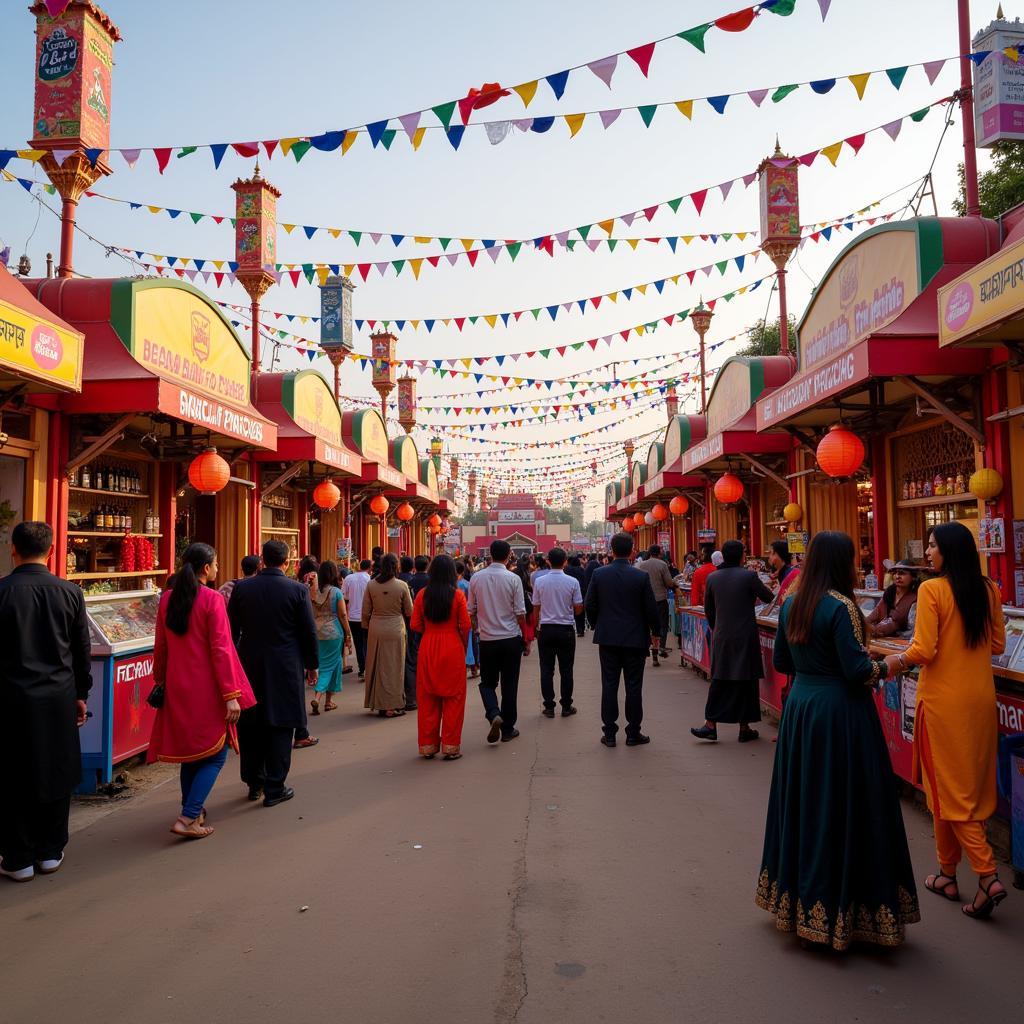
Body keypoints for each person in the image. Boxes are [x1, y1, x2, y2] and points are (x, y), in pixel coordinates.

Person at [758, 531, 919, 950]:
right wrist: (892, 665)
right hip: (840, 715)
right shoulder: (842, 606)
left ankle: (797, 904)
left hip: (802, 711)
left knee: (806, 801)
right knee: (847, 802)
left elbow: (780, 661)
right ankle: (846, 909)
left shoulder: (794, 602)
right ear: (841, 562)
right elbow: (857, 673)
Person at [876, 522, 1008, 920]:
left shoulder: (932, 590)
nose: (927, 554)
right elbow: (999, 644)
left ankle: (987, 875)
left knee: (948, 789)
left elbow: (924, 648)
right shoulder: (989, 589)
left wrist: (889, 664)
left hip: (942, 704)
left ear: (949, 550)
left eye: (932, 547)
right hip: (980, 700)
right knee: (959, 786)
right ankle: (947, 873)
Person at [0, 522, 91, 882]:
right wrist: (81, 694)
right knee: (55, 768)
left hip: (8, 698)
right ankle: (50, 850)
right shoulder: (69, 593)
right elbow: (81, 651)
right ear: (51, 551)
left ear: (13, 549)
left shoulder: (2, 592)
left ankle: (17, 855)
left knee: (10, 772)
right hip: (57, 697)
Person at [150, 543, 256, 840]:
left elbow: (161, 646)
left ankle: (193, 810)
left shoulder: (167, 598)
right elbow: (221, 650)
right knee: (215, 755)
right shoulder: (211, 600)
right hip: (207, 689)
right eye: (216, 564)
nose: (218, 569)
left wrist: (160, 680)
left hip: (177, 686)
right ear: (206, 568)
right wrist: (231, 694)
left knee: (191, 755)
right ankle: (187, 817)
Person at [228, 539, 319, 807]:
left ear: (262, 560)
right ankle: (275, 786)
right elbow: (308, 631)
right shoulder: (297, 590)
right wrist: (312, 664)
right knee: (281, 723)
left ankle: (254, 781)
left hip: (249, 663)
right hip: (286, 664)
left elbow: (231, 630)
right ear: (288, 561)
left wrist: (232, 664)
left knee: (251, 722)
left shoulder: (242, 589)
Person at [691, 540, 774, 743]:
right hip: (745, 635)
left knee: (720, 680)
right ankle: (744, 726)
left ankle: (711, 724)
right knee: (746, 680)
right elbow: (768, 597)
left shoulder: (713, 578)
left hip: (722, 635)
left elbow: (709, 609)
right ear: (742, 557)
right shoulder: (749, 576)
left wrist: (717, 627)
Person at [585, 531, 660, 748]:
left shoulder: (600, 574)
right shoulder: (640, 576)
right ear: (632, 550)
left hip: (608, 638)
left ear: (612, 550)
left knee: (609, 684)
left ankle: (609, 733)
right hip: (635, 638)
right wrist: (656, 631)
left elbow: (590, 605)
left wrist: (598, 624)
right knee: (634, 686)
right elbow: (650, 608)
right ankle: (633, 732)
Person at [411, 555, 472, 759]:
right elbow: (466, 625)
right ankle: (450, 745)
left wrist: (429, 631)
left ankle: (428, 745)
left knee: (428, 696)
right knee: (454, 697)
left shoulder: (422, 595)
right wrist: (462, 644)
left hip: (429, 645)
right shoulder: (457, 596)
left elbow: (415, 625)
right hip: (452, 646)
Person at [468, 539, 529, 744]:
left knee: (487, 683)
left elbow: (471, 611)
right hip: (511, 638)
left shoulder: (476, 578)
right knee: (509, 685)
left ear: (490, 555)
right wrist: (526, 638)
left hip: (487, 640)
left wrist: (477, 629)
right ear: (509, 554)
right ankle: (508, 728)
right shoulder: (513, 579)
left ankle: (494, 712)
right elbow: (520, 613)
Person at [533, 547, 584, 719]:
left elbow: (536, 608)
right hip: (566, 630)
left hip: (546, 629)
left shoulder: (539, 582)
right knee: (566, 669)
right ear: (565, 562)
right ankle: (566, 706)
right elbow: (578, 609)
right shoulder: (573, 582)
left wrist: (536, 626)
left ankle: (549, 706)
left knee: (547, 669)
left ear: (548, 561)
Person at [362, 553, 414, 718]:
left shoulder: (371, 585)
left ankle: (377, 702)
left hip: (376, 627)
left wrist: (366, 626)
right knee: (394, 667)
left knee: (376, 665)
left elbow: (365, 612)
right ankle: (392, 705)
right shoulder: (402, 585)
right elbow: (409, 611)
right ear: (396, 566)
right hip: (395, 627)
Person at [307, 560, 353, 715]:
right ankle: (318, 696)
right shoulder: (336, 592)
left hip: (317, 632)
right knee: (329, 666)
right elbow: (342, 614)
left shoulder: (312, 592)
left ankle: (329, 701)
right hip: (334, 632)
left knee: (333, 664)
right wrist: (347, 632)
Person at [634, 543, 676, 665]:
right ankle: (659, 648)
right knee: (661, 626)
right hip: (660, 599)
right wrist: (674, 584)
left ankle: (647, 648)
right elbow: (669, 582)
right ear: (658, 553)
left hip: (645, 601)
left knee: (646, 626)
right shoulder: (662, 564)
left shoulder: (641, 565)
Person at [403, 555, 431, 710]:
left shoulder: (410, 583)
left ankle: (412, 696)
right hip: (431, 624)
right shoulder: (432, 582)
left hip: (414, 624)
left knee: (412, 660)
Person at [867, 562, 919, 638]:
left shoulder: (915, 598)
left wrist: (873, 630)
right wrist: (861, 623)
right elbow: (876, 613)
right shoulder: (889, 594)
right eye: (895, 573)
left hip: (902, 642)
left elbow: (895, 623)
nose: (897, 576)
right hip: (882, 638)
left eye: (902, 573)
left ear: (913, 577)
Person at [343, 559, 373, 677]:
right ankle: (367, 668)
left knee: (359, 643)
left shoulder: (349, 578)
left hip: (353, 617)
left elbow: (344, 597)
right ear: (370, 568)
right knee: (367, 642)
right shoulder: (370, 580)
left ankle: (362, 668)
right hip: (367, 616)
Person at [456, 561, 479, 678]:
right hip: (468, 617)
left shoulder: (453, 586)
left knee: (466, 643)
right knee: (471, 642)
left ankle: (470, 667)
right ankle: (474, 667)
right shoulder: (467, 584)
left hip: (459, 618)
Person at [565, 554, 587, 637]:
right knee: (580, 611)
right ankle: (580, 629)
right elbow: (584, 581)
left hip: (569, 592)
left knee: (570, 610)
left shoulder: (567, 570)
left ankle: (570, 628)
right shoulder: (581, 569)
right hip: (581, 592)